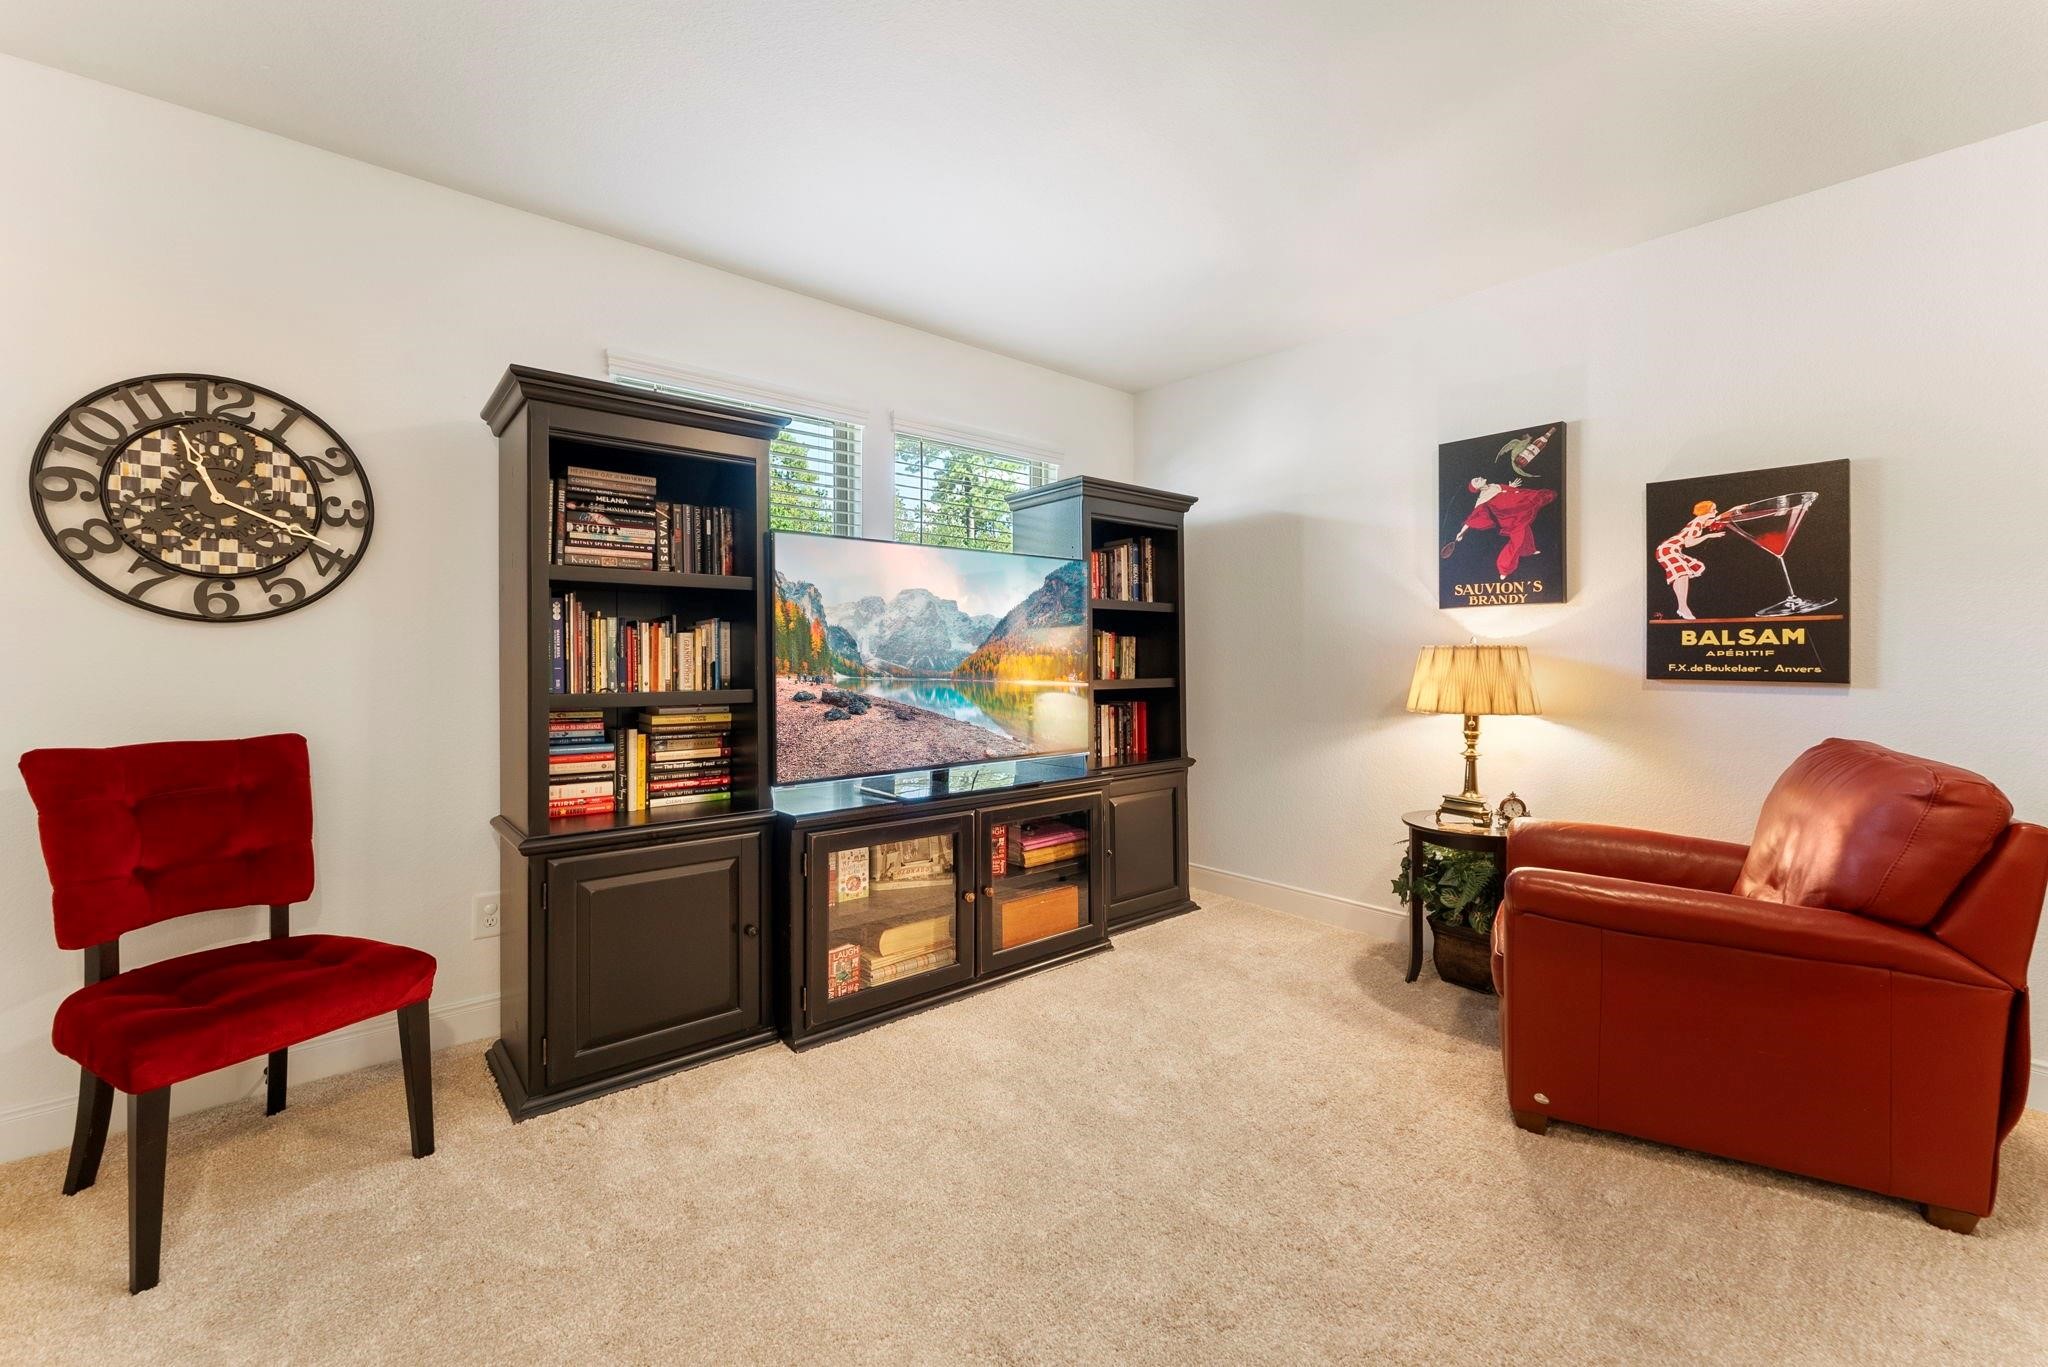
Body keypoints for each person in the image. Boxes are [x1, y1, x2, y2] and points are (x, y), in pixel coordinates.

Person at [1443, 476, 1556, 580]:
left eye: (1477, 478)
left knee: (1525, 529)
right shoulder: (1483, 499)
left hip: (1517, 510)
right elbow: (1473, 518)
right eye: (1476, 480)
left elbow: (1504, 491)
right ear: (1477, 488)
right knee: (1518, 539)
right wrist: (1461, 532)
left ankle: (1528, 550)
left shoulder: (1494, 486)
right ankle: (1504, 569)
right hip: (1510, 520)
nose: (1479, 478)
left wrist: (1510, 487)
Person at [1655, 499, 1728, 620]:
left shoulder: (1699, 521)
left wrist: (1734, 511)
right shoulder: (1696, 525)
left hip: (1672, 550)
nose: (1716, 511)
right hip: (1668, 549)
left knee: (1683, 573)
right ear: (1706, 512)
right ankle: (1683, 607)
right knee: (1682, 573)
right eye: (1713, 510)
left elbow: (1716, 518)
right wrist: (1708, 535)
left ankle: (1682, 606)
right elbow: (1688, 543)